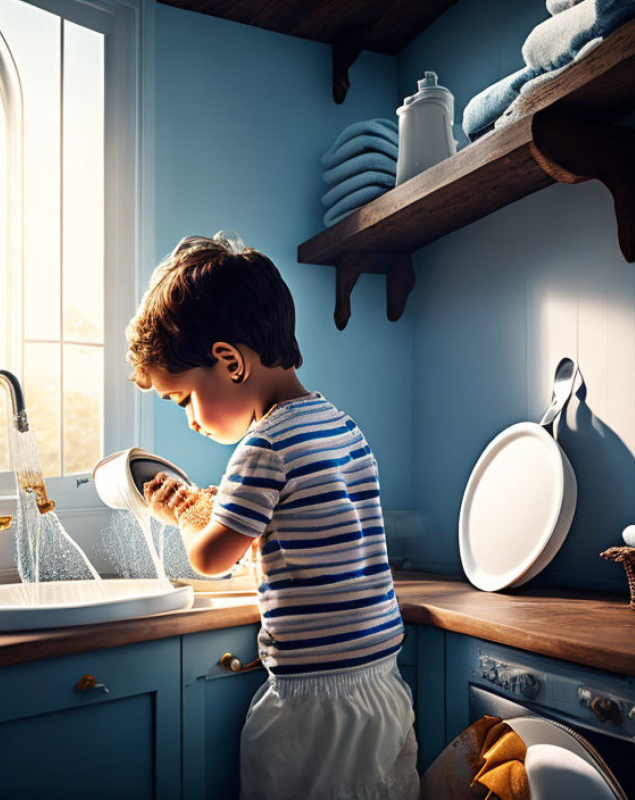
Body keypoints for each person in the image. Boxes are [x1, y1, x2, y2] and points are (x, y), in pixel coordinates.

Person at [126, 232, 419, 800]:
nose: (191, 421)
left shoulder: (264, 447)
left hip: (313, 701)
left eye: (184, 399)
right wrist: (237, 515)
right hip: (382, 680)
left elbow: (211, 558)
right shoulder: (341, 426)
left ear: (230, 362)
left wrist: (185, 517)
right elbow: (317, 537)